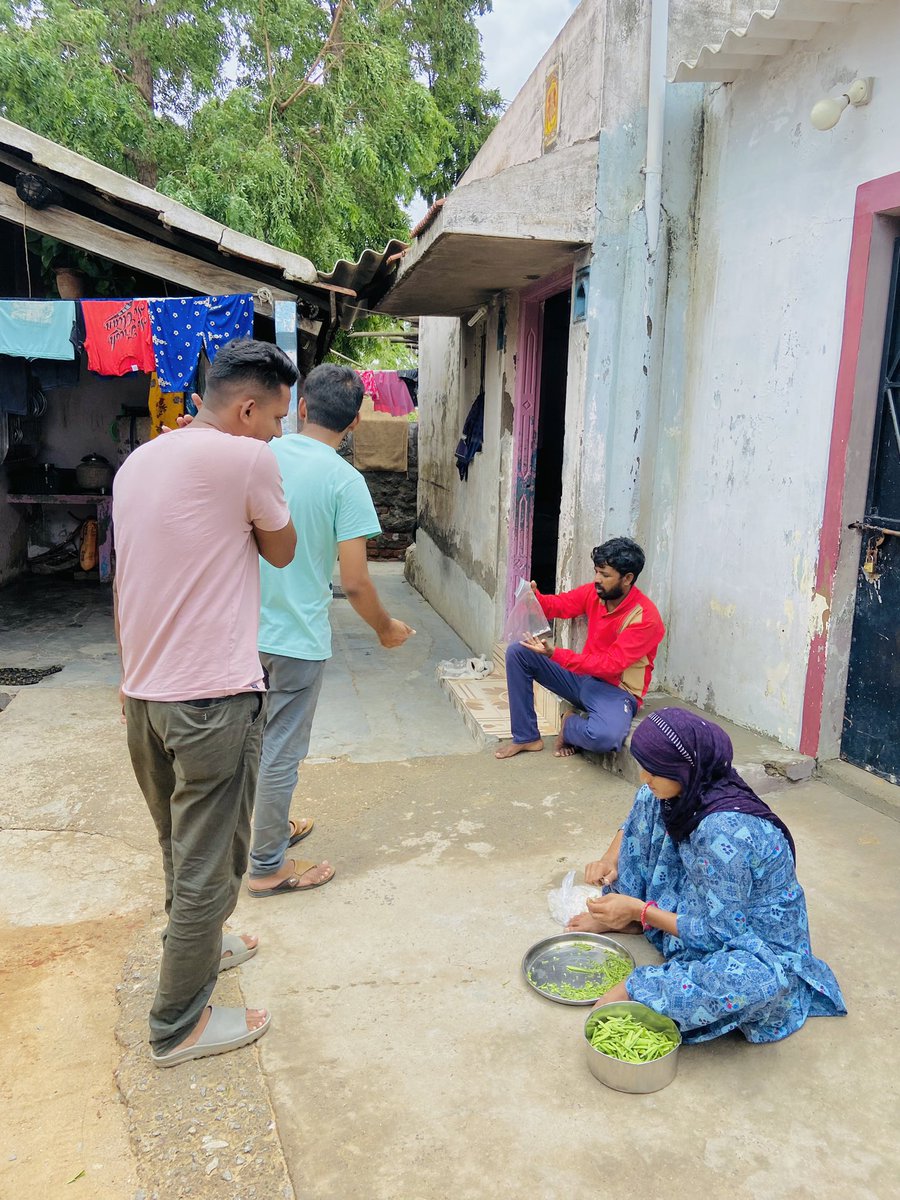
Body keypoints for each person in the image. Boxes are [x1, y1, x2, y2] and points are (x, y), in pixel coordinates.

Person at [113, 338, 298, 1067]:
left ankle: (204, 942)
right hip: (211, 701)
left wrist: (128, 680)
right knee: (211, 857)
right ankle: (177, 1025)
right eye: (275, 417)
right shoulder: (246, 457)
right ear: (246, 408)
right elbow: (281, 553)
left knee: (179, 844)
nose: (277, 432)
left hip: (144, 695)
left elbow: (129, 581)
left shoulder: (140, 461)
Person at [567, 707, 846, 1043]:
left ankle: (642, 983)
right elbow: (632, 826)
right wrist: (609, 859)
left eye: (654, 770)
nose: (644, 776)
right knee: (649, 800)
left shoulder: (721, 829)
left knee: (755, 981)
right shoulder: (686, 790)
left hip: (754, 942)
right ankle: (624, 916)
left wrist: (639, 910)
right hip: (713, 902)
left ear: (685, 769)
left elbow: (720, 933)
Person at [246, 363, 415, 897]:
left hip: (233, 633)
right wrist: (386, 629)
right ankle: (267, 866)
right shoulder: (345, 481)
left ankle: (267, 830)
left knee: (247, 743)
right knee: (281, 751)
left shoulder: (257, 456)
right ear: (357, 424)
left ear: (299, 408)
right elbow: (356, 582)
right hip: (296, 637)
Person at [496, 537, 664, 761]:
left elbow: (610, 665)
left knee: (606, 737)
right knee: (518, 652)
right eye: (596, 571)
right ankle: (526, 736)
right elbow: (559, 605)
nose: (597, 579)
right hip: (580, 678)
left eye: (605, 575)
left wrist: (555, 654)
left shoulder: (646, 618)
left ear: (628, 578)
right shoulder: (594, 593)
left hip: (615, 692)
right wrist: (534, 599)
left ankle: (570, 725)